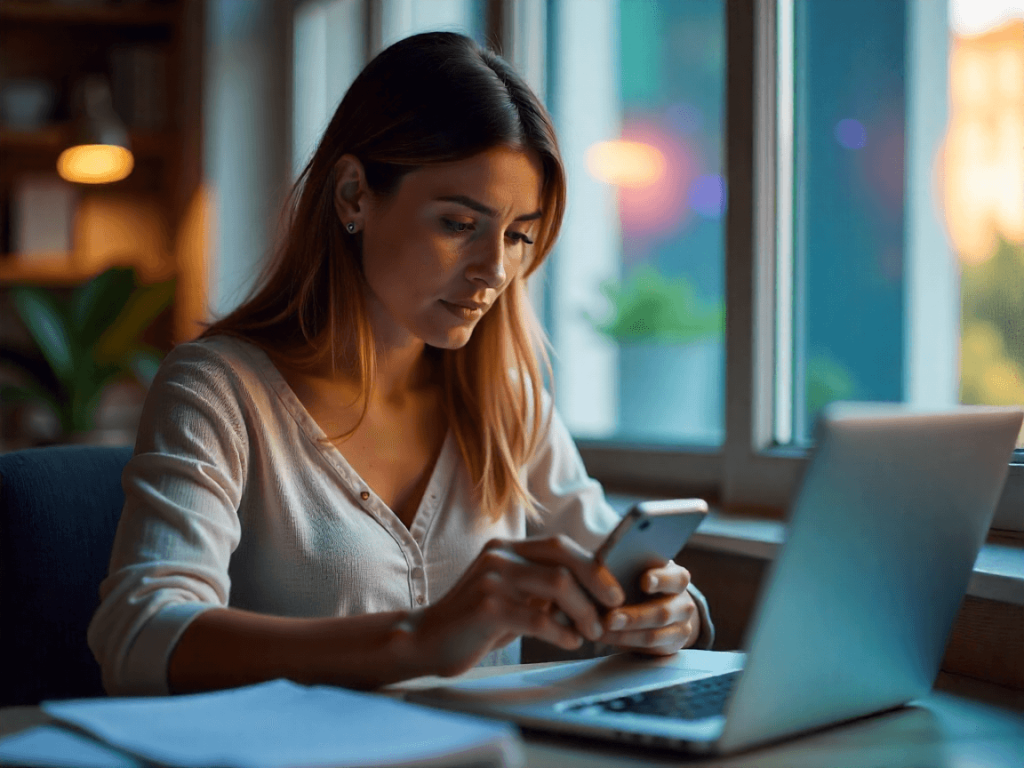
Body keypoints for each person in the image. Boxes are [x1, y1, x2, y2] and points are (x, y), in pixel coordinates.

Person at [88, 31, 714, 697]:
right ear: (355, 195)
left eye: (518, 234)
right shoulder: (219, 392)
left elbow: (620, 570)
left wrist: (669, 613)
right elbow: (141, 636)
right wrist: (419, 639)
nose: (495, 271)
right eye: (457, 224)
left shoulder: (508, 399)